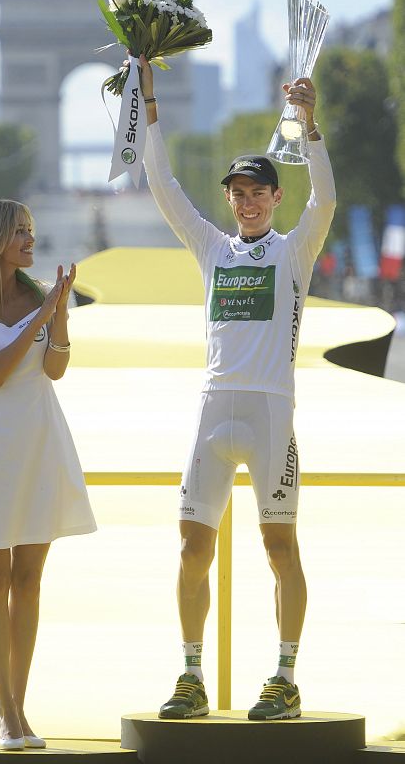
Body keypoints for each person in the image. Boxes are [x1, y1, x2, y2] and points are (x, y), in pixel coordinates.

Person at [138, 54, 336, 720]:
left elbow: (328, 200)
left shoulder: (293, 251)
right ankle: (191, 677)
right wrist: (150, 105)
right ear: (230, 199)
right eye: (238, 192)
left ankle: (284, 677)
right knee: (192, 546)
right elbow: (163, 186)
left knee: (280, 549)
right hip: (212, 414)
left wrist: (311, 125)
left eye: (258, 191)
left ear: (276, 197)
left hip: (271, 416)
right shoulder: (213, 248)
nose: (247, 200)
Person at [0, 199, 96, 749]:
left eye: (32, 230)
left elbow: (53, 369)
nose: (30, 240)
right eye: (20, 232)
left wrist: (58, 317)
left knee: (29, 580)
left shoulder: (42, 295)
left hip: (40, 440)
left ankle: (21, 710)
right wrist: (46, 308)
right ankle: (5, 713)